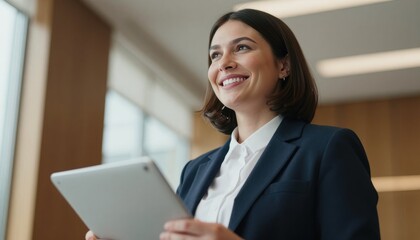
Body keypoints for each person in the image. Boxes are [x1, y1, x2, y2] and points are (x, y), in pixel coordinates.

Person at [86, 8, 380, 240]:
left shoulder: (329, 148)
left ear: (283, 65)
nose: (223, 62)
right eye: (215, 55)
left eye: (241, 48)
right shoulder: (195, 170)